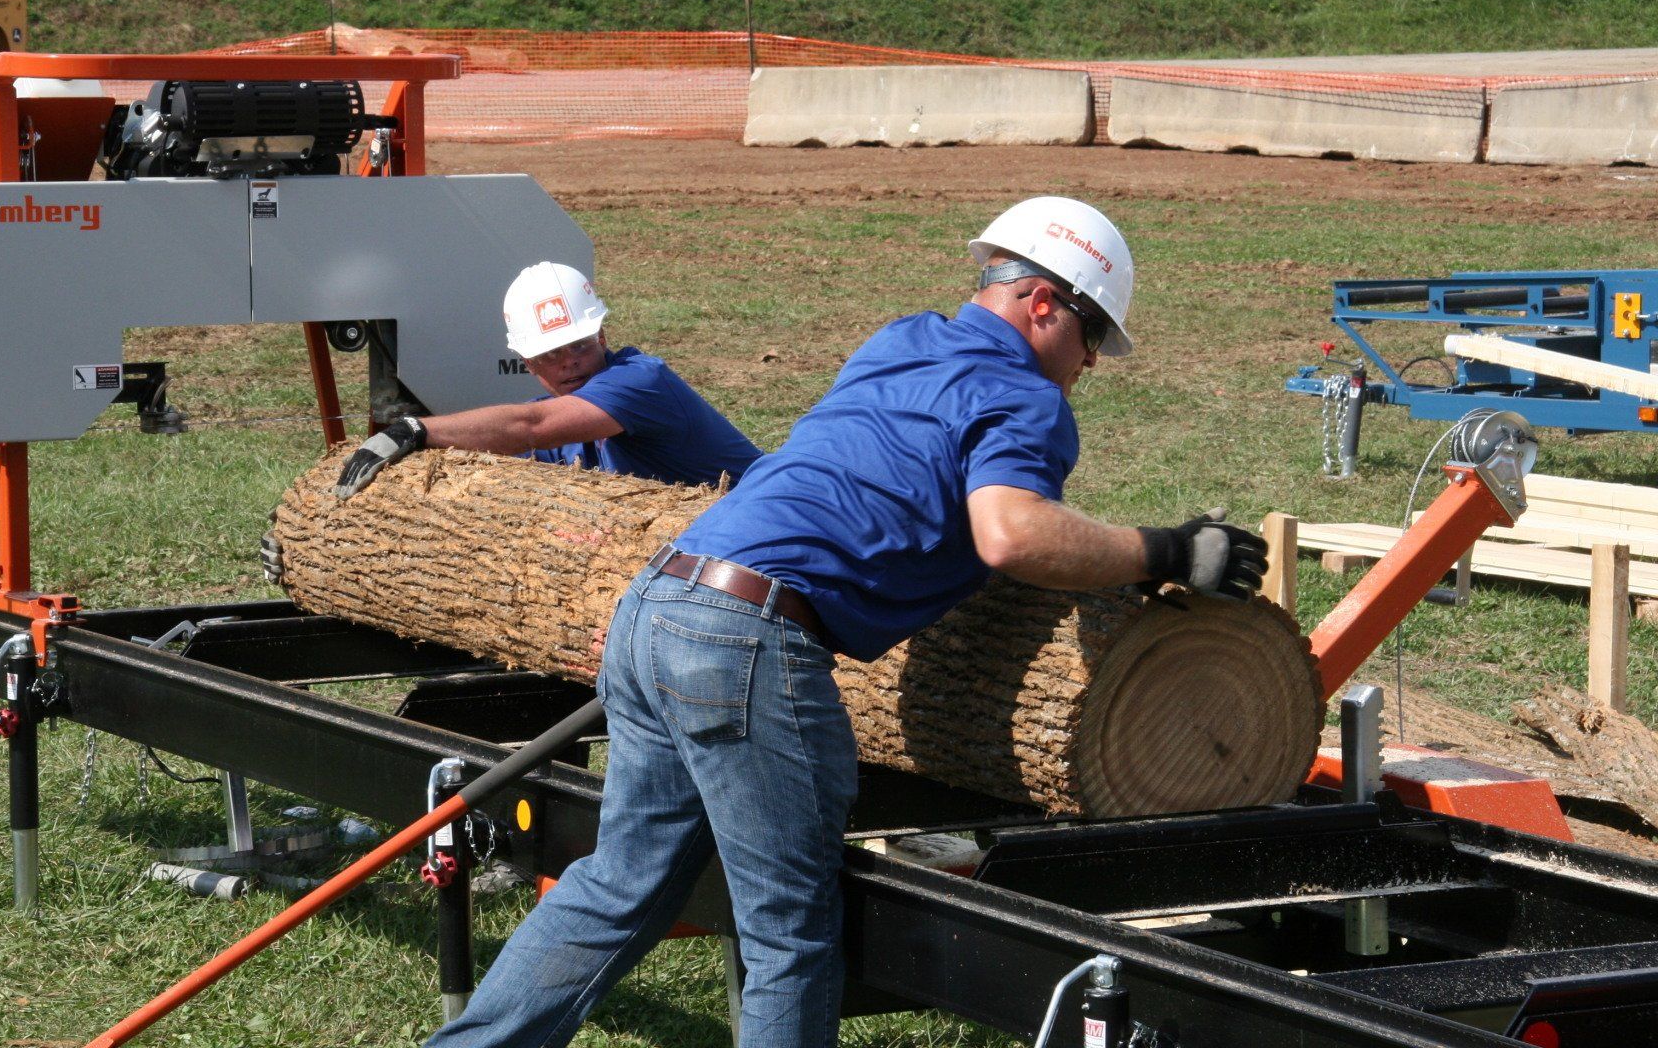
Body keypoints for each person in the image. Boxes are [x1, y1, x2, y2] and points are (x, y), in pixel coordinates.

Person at [417, 198, 1266, 1048]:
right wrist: (1167, 551)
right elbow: (1010, 533)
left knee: (618, 886)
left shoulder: (902, 340)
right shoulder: (1027, 397)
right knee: (788, 933)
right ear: (1044, 303)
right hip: (747, 638)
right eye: (1093, 335)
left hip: (657, 600)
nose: (1090, 361)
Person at [331, 262, 761, 497]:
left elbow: (529, 426)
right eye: (551, 354)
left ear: (602, 338)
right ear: (529, 363)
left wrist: (414, 429)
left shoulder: (640, 381)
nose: (569, 363)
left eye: (579, 346)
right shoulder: (561, 428)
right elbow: (494, 455)